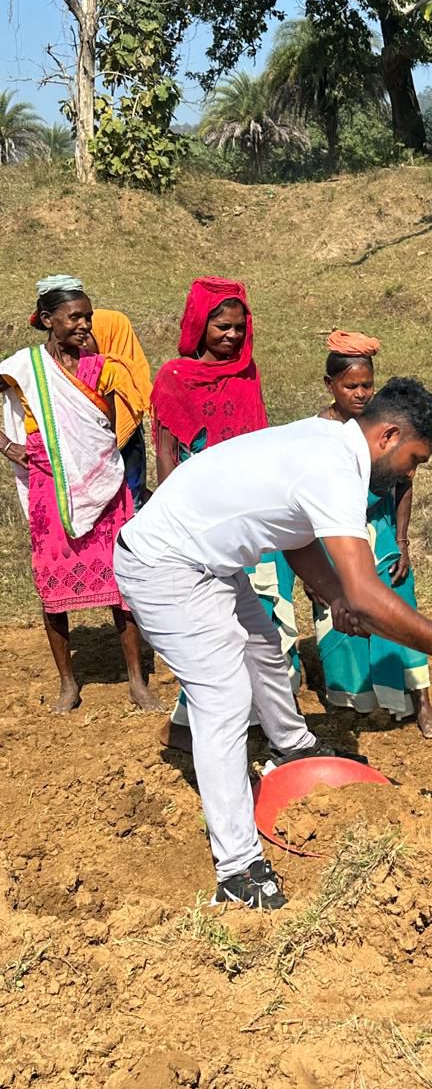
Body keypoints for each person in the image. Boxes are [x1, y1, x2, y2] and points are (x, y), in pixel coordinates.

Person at [114, 377, 432, 910]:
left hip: (209, 563)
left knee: (264, 648)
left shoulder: (327, 442)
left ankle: (291, 747)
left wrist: (335, 595)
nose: (411, 473)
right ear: (388, 436)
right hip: (165, 567)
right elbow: (368, 593)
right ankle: (237, 868)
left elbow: (295, 539)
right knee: (223, 699)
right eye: (414, 460)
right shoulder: (334, 468)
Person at [150, 276, 302, 753]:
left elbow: (257, 443)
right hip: (201, 516)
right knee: (210, 623)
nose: (232, 335)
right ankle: (195, 721)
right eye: (221, 325)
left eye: (239, 326)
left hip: (248, 512)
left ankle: (265, 721)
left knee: (263, 617)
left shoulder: (247, 372)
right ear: (200, 324)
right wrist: (176, 511)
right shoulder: (175, 376)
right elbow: (167, 452)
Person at [0, 275, 159, 712]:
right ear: (49, 320)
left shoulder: (103, 366)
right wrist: (11, 447)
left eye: (88, 316)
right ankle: (68, 684)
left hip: (105, 485)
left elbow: (133, 410)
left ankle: (136, 681)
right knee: (52, 586)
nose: (85, 324)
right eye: (75, 317)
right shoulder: (25, 367)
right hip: (49, 488)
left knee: (121, 585)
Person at [313, 330, 432, 739]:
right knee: (342, 618)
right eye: (351, 386)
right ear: (330, 385)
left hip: (380, 529)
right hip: (334, 536)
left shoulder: (385, 427)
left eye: (367, 385)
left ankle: (420, 702)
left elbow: (405, 481)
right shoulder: (322, 433)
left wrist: (402, 541)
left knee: (399, 604)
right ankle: (352, 705)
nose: (361, 393)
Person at [87, 308, 153, 510]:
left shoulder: (119, 377)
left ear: (105, 335)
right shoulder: (80, 372)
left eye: (89, 334)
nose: (81, 339)